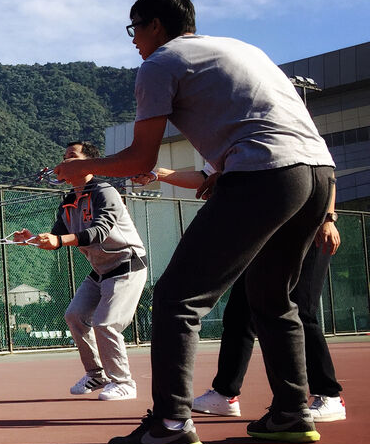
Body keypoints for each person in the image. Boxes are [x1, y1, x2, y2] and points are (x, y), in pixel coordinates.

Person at [54, 0, 336, 444]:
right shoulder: (241, 49)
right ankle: (291, 411)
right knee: (273, 298)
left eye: (134, 28)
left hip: (264, 173)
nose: (133, 40)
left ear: (155, 25)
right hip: (317, 174)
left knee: (177, 297)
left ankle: (170, 423)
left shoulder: (160, 63)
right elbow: (270, 119)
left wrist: (82, 169)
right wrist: (225, 167)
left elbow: (140, 158)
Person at [135, 167, 347, 421]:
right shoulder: (238, 149)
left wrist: (328, 218)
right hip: (264, 232)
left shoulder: (283, 146)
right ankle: (225, 394)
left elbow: (325, 172)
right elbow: (205, 176)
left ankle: (329, 395)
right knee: (239, 314)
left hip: (305, 227)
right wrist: (157, 174)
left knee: (300, 309)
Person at [14, 141, 147, 402]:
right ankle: (96, 374)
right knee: (75, 315)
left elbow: (99, 231)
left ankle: (124, 382)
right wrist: (30, 239)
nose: (64, 162)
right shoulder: (68, 202)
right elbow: (57, 237)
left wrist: (59, 240)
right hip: (101, 269)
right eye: (64, 157)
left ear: (89, 163)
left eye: (71, 156)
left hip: (126, 264)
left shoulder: (104, 191)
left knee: (105, 324)